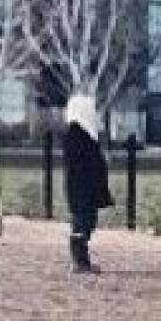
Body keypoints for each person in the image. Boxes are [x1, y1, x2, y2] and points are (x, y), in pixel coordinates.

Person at [62, 92, 113, 274]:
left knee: (87, 222)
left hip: (86, 186)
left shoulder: (84, 133)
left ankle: (82, 260)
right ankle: (80, 262)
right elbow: (82, 163)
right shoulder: (77, 134)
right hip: (82, 187)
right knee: (82, 223)